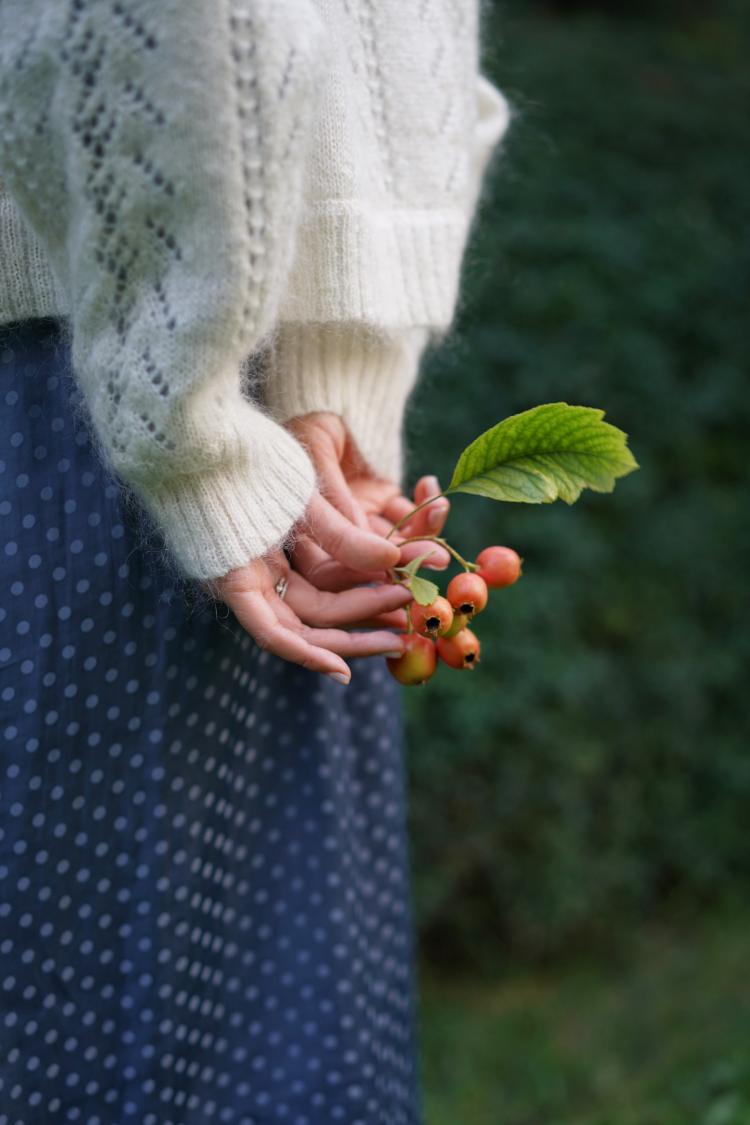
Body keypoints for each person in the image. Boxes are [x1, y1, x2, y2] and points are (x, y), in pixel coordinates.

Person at [0, 1, 509, 1121]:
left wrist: (193, 431)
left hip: (97, 385)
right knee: (273, 1041)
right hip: (191, 364)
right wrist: (335, 374)